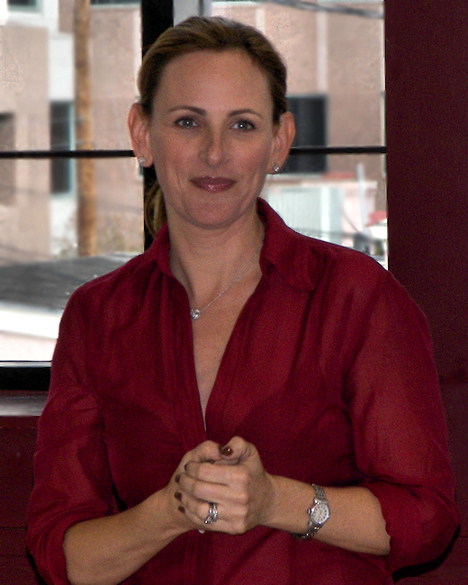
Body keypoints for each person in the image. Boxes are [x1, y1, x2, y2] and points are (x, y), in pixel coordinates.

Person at [27, 15, 459, 585]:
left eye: (242, 125)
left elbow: (425, 519)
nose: (214, 153)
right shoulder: (97, 315)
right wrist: (172, 509)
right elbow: (64, 555)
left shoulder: (358, 297)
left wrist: (272, 501)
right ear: (141, 133)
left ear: (279, 141)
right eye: (187, 122)